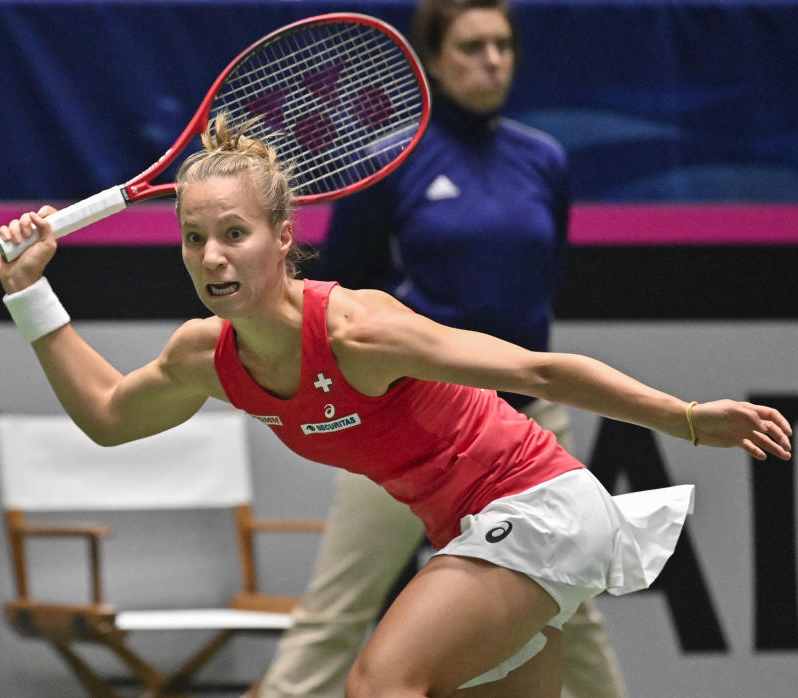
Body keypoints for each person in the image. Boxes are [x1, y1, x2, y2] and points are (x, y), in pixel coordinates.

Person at [0, 114, 792, 697]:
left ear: (281, 237)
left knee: (380, 684)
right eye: (193, 237)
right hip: (475, 532)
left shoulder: (358, 330)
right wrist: (30, 294)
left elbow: (537, 368)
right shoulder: (205, 356)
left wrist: (687, 418)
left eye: (233, 233)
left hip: (536, 505)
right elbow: (106, 415)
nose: (211, 256)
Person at [256, 1, 626, 696]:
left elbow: (541, 282)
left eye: (502, 45)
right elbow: (340, 290)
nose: (492, 60)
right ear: (433, 59)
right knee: (336, 614)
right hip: (412, 425)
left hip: (525, 430)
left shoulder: (542, 159)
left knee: (576, 615)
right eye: (472, 46)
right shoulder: (389, 163)